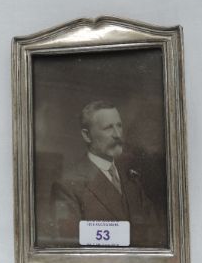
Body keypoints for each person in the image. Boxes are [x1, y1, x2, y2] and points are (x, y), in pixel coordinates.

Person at [50, 100, 164, 247]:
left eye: (119, 126)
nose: (117, 135)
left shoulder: (132, 178)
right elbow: (71, 240)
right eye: (108, 128)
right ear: (87, 136)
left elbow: (155, 231)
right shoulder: (67, 187)